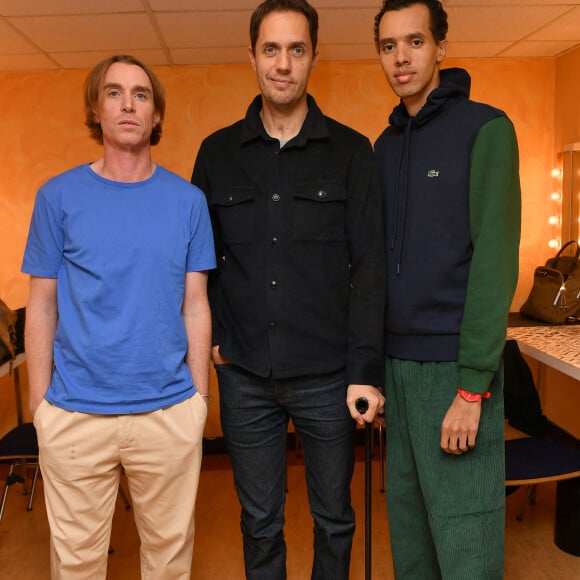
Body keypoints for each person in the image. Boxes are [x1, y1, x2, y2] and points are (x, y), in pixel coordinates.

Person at [191, 1, 386, 577]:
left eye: (296, 50)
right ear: (251, 55)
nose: (283, 64)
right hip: (245, 374)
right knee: (259, 523)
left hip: (330, 376)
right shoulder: (216, 152)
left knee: (334, 519)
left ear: (313, 57)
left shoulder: (352, 152)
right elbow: (199, 263)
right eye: (271, 49)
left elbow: (370, 267)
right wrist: (218, 340)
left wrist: (365, 369)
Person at [22, 54, 216, 579]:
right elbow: (41, 304)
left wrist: (198, 400)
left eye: (141, 94)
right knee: (77, 566)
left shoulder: (189, 201)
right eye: (114, 92)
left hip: (168, 412)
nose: (128, 104)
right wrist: (40, 406)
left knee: (169, 563)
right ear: (96, 109)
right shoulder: (56, 197)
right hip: (74, 414)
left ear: (156, 116)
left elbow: (195, 303)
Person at [373, 1, 521, 578]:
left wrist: (472, 389)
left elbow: (494, 263)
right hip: (395, 375)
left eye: (414, 42)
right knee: (411, 547)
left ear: (440, 47)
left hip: (454, 374)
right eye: (388, 46)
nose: (401, 58)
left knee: (467, 552)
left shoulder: (486, 128)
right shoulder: (382, 150)